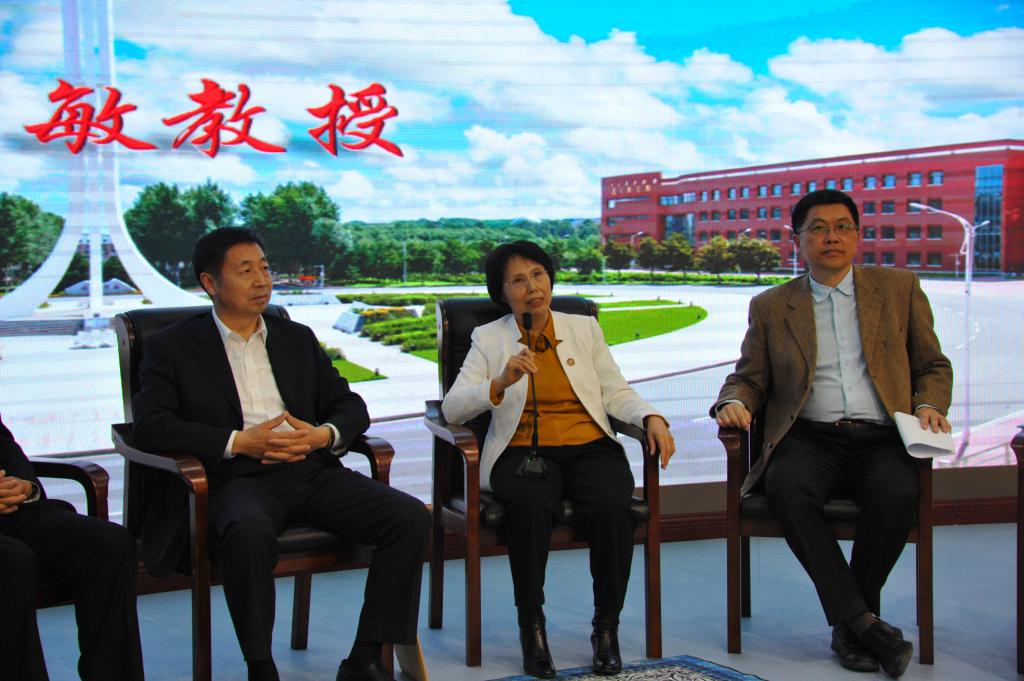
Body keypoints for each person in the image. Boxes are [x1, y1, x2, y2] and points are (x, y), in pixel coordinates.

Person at [132, 227, 429, 681]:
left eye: (265, 268)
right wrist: (237, 442)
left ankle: (365, 658)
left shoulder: (295, 338)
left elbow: (350, 406)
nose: (262, 280)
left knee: (408, 518)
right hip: (236, 478)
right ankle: (260, 666)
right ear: (210, 283)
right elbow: (151, 425)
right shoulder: (172, 346)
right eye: (245, 271)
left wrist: (322, 436)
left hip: (311, 470)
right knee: (246, 530)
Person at [712, 189, 952, 678]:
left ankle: (851, 625)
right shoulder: (772, 305)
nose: (832, 237)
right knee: (786, 488)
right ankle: (866, 624)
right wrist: (733, 401)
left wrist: (928, 404)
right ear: (797, 240)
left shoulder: (899, 288)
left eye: (843, 227)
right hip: (808, 437)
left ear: (858, 235)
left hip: (881, 436)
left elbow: (932, 365)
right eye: (818, 228)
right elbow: (749, 377)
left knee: (896, 492)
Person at [442, 240, 676, 678]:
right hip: (523, 451)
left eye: (538, 275)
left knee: (612, 506)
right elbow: (453, 409)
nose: (532, 287)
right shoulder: (489, 338)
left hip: (590, 446)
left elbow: (615, 391)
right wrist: (500, 381)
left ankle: (606, 628)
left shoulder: (583, 328)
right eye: (518, 280)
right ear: (501, 292)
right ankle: (532, 627)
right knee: (529, 505)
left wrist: (650, 417)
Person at [0, 415, 144, 681]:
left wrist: (24, 486)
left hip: (9, 513)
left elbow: (4, 445)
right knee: (14, 560)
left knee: (109, 542)